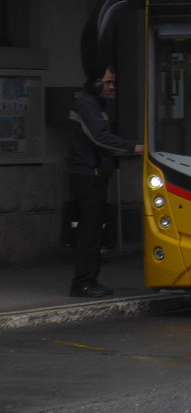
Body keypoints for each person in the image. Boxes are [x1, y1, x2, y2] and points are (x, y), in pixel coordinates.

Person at [67, 67, 142, 298]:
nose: (112, 87)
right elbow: (100, 138)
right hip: (89, 174)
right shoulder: (88, 105)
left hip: (94, 173)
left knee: (94, 230)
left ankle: (89, 279)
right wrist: (133, 147)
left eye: (113, 83)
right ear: (96, 82)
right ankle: (83, 282)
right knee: (90, 231)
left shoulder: (95, 105)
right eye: (108, 83)